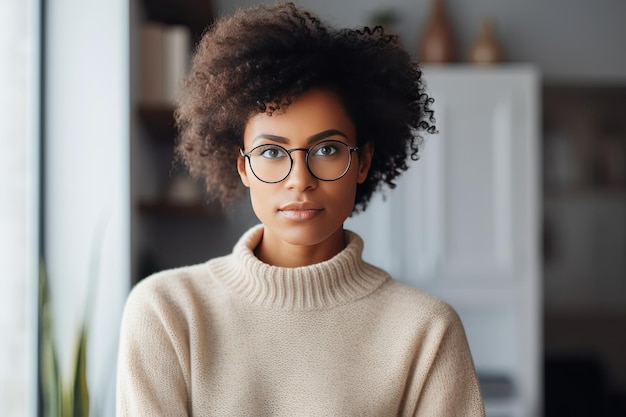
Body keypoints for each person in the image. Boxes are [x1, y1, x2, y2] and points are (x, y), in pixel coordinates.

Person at [116, 2, 485, 416]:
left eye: (326, 149)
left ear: (362, 162)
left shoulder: (426, 331)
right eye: (272, 151)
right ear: (243, 167)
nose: (299, 179)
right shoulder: (168, 312)